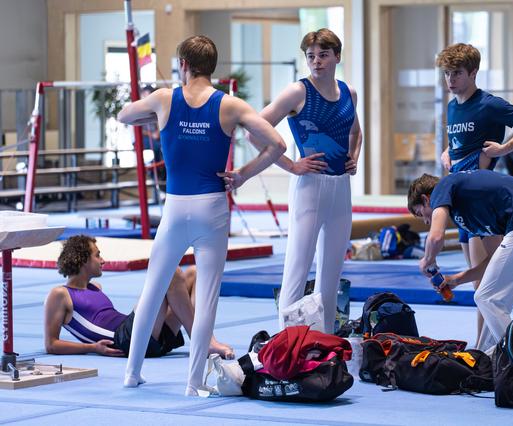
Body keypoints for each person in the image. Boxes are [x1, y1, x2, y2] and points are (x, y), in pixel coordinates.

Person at [117, 35, 286, 395]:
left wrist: (159, 116)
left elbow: (123, 114)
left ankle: (131, 374)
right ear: (212, 67)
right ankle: (193, 383)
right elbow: (278, 145)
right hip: (212, 207)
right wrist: (243, 174)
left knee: (153, 289)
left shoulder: (165, 99)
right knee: (207, 295)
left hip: (176, 207)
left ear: (182, 64)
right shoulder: (231, 105)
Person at [250, 28, 362, 334]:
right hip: (310, 187)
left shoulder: (348, 93)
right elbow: (253, 131)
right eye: (311, 56)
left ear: (337, 56)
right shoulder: (298, 92)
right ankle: (285, 342)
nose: (317, 62)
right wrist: (290, 165)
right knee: (296, 272)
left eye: (323, 55)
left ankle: (324, 343)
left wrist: (354, 157)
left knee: (330, 276)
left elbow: (355, 132)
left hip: (341, 188)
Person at [435, 43, 513, 344]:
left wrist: (505, 148)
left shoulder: (489, 105)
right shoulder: (452, 106)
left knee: (486, 283)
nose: (450, 80)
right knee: (477, 285)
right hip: (461, 200)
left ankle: (489, 349)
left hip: (480, 203)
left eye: (456, 73)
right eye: (446, 74)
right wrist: (448, 152)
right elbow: (459, 142)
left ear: (473, 73)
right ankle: (482, 346)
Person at [407, 170, 513, 352]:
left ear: (426, 199)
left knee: (486, 297)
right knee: (496, 303)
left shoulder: (442, 188)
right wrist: (455, 279)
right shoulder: (468, 213)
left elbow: (436, 237)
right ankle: (488, 354)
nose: (425, 221)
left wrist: (428, 259)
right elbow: (492, 261)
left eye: (420, 213)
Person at [44, 235, 234, 359]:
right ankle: (204, 341)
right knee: (170, 272)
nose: (103, 260)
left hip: (144, 335)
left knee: (193, 273)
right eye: (97, 256)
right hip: (124, 340)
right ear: (83, 259)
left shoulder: (96, 287)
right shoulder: (60, 294)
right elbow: (51, 344)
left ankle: (203, 340)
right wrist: (92, 347)